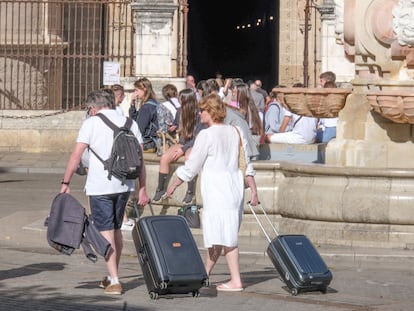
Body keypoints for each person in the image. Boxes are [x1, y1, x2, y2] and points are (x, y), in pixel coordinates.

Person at [60, 90, 149, 295]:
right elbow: (141, 159)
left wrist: (66, 182)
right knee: (116, 229)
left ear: (93, 107)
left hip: (100, 186)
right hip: (124, 185)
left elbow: (76, 156)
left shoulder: (91, 123)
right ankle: (111, 275)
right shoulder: (129, 123)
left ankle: (115, 281)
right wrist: (142, 187)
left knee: (106, 230)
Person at [166, 94, 246, 292]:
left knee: (225, 235)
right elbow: (245, 161)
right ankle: (204, 273)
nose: (199, 114)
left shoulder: (207, 135)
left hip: (217, 188)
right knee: (221, 233)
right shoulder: (235, 131)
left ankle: (235, 280)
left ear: (210, 112)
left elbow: (192, 166)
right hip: (233, 186)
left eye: (202, 110)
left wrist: (175, 182)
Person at [153, 88, 204, 204]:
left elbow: (198, 137)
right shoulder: (179, 111)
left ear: (187, 100)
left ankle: (190, 191)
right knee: (165, 158)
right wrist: (173, 127)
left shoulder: (199, 114)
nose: (178, 101)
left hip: (194, 143)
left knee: (189, 158)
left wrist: (183, 149)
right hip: (182, 141)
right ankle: (160, 189)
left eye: (180, 99)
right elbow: (177, 124)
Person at [129, 77, 159, 152]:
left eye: (136, 90)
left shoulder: (146, 108)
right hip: (155, 141)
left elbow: (139, 128)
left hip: (148, 142)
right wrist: (133, 105)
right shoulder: (154, 103)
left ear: (144, 89)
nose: (135, 93)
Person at [317, 71, 338, 143]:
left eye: (321, 81)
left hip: (329, 129)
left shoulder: (327, 97)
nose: (320, 83)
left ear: (327, 81)